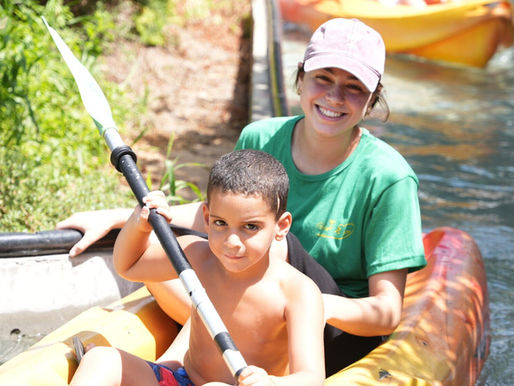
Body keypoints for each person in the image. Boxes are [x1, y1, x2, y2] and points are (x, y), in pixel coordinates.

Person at [57, 18, 427, 375]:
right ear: (301, 79)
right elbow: (223, 215)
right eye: (323, 79)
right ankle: (181, 364)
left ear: (372, 99)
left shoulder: (388, 177)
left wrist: (298, 307)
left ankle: (188, 355)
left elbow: (386, 312)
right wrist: (127, 216)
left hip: (331, 331)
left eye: (354, 87)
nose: (334, 96)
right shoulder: (260, 137)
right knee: (178, 249)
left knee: (269, 246)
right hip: (260, 306)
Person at [70, 149, 325, 386]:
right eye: (220, 223)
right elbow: (129, 265)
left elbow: (311, 377)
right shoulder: (199, 256)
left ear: (281, 226)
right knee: (102, 359)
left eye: (250, 227)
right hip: (183, 379)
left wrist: (271, 382)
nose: (231, 242)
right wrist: (139, 224)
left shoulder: (297, 292)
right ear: (206, 218)